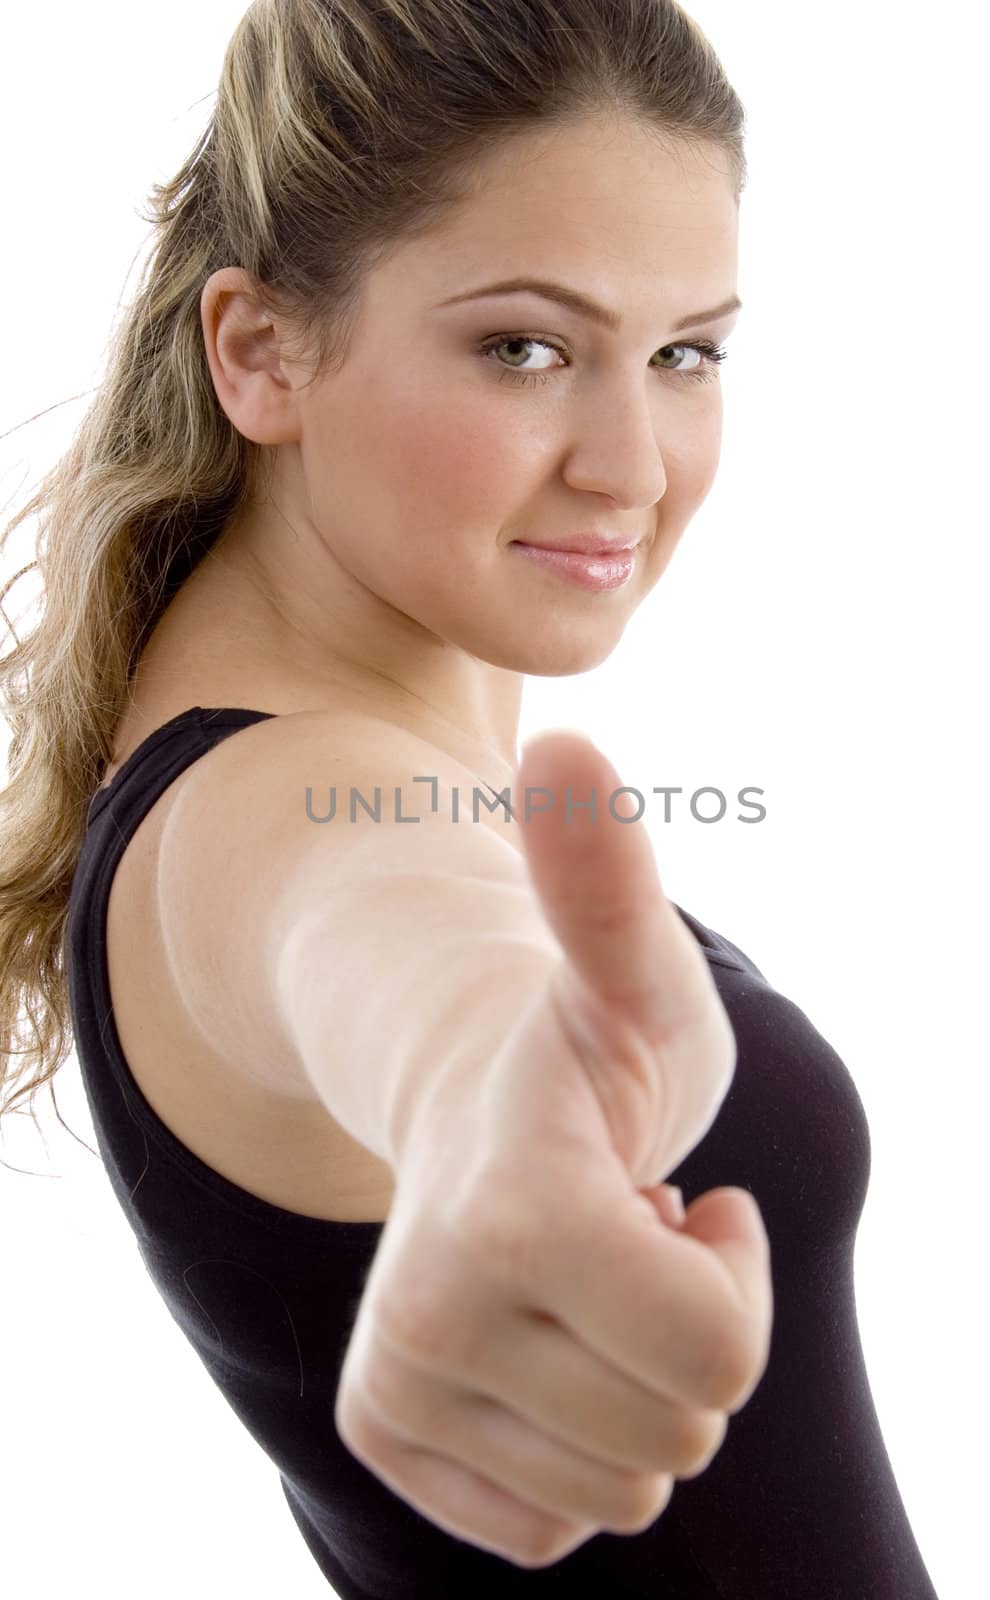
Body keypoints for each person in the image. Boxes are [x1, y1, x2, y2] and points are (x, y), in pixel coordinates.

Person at [0, 1, 940, 1594]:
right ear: (261, 350)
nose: (632, 466)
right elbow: (388, 938)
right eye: (526, 347)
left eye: (686, 354)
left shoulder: (266, 754)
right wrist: (484, 1095)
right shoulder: (278, 799)